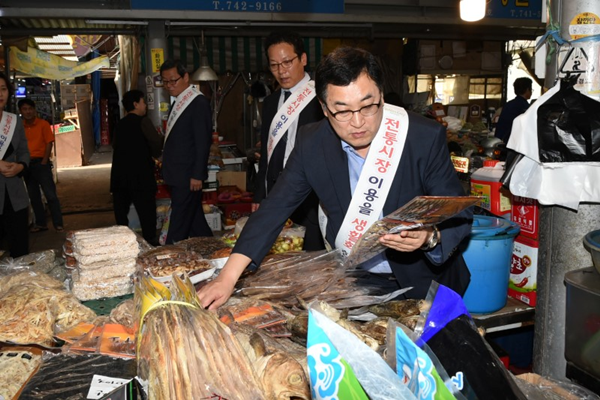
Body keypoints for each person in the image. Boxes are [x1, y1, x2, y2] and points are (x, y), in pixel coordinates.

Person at [198, 47, 473, 310]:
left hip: (426, 283)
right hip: (356, 281)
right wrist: (227, 277)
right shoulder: (312, 143)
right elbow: (274, 209)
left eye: (368, 106)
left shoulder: (422, 137)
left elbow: (458, 212)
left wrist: (430, 236)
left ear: (381, 96)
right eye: (341, 111)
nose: (357, 122)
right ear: (324, 107)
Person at [254, 31, 325, 251]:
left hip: (311, 197)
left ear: (303, 59)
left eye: (287, 62)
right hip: (277, 194)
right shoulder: (271, 103)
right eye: (274, 65)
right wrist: (259, 194)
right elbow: (266, 151)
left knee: (312, 261)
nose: (281, 71)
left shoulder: (320, 96)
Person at [159, 59, 213, 243]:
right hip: (177, 174)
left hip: (188, 176)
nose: (169, 85)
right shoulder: (178, 102)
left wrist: (198, 174)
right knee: (196, 223)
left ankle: (169, 259)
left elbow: (202, 141)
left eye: (173, 80)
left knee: (178, 225)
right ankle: (215, 252)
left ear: (186, 77)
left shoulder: (197, 102)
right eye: (165, 82)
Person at [110, 90, 163, 244]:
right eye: (143, 102)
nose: (145, 105)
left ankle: (123, 244)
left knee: (121, 214)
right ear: (135, 104)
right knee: (147, 214)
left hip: (120, 176)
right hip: (141, 175)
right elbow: (156, 144)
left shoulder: (120, 124)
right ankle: (150, 244)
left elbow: (115, 145)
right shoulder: (143, 122)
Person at [18, 98, 63, 232]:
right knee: (34, 197)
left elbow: (49, 142)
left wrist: (44, 161)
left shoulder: (43, 124)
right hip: (27, 165)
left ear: (34, 110)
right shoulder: (20, 127)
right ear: (21, 111)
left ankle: (58, 223)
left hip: (41, 163)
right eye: (25, 109)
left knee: (51, 195)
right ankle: (41, 223)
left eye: (30, 109)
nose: (28, 112)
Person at [0, 73, 30, 257]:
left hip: (15, 196)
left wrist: (21, 166)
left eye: (3, 89)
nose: (0, 94)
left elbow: (24, 152)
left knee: (20, 251)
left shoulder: (14, 121)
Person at [494, 77, 533, 143]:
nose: (531, 92)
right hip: (514, 143)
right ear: (527, 90)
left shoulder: (508, 104)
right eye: (531, 90)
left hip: (501, 140)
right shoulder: (524, 106)